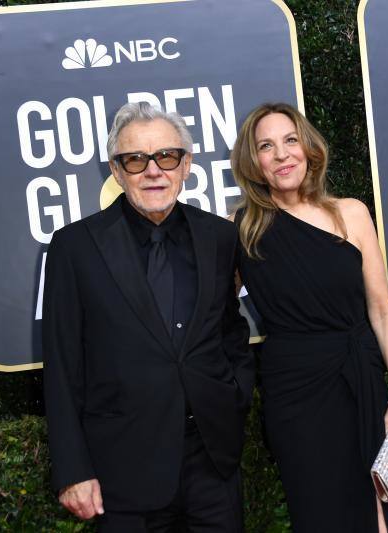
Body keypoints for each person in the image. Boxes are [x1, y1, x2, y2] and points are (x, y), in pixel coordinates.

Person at [43, 102, 254, 532]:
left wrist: (235, 395)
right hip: (122, 470)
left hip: (212, 461)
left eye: (167, 156)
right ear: (116, 171)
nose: (153, 171)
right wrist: (73, 470)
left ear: (187, 165)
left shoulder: (219, 236)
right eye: (135, 159)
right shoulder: (74, 247)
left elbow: (230, 331)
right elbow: (62, 365)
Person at [230, 102, 388, 533]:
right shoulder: (240, 230)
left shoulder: (351, 213)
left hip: (361, 380)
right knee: (319, 514)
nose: (281, 154)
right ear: (254, 163)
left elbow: (382, 311)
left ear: (308, 150)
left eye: (290, 140)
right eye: (266, 146)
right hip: (295, 395)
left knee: (380, 511)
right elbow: (209, 313)